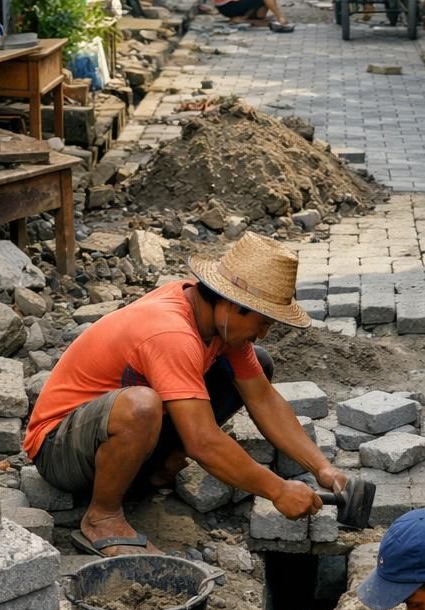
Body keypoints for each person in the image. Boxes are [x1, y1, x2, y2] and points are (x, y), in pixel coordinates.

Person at [23, 234, 346, 558]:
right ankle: (102, 517)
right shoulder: (172, 333)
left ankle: (153, 471)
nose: (262, 333)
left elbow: (263, 399)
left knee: (257, 363)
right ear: (233, 305)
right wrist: (277, 490)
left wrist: (321, 467)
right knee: (142, 406)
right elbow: (202, 442)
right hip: (59, 448)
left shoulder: (212, 319)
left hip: (107, 439)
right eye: (262, 323)